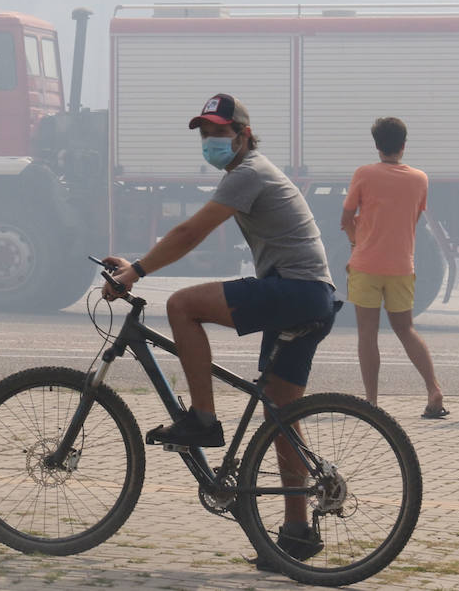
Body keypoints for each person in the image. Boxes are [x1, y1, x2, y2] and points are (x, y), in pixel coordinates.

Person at [103, 92, 338, 567]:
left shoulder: (248, 172)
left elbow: (191, 233)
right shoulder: (249, 171)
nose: (211, 141)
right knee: (281, 417)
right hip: (311, 295)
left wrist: (136, 272)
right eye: (205, 134)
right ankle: (295, 536)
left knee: (182, 306)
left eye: (219, 133)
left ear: (244, 136)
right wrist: (136, 263)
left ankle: (203, 421)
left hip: (294, 291)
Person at [340, 117, 445, 419]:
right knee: (405, 329)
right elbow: (412, 219)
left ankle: (371, 402)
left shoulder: (364, 174)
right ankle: (433, 389)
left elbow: (346, 218)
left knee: (367, 333)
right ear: (403, 145)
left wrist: (354, 241)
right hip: (401, 266)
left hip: (366, 265)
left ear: (377, 145)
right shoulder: (419, 179)